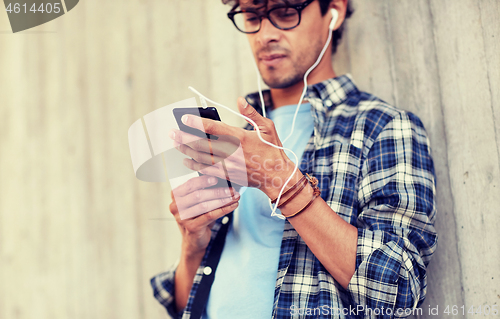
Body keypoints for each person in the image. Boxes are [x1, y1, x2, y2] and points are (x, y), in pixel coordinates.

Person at [151, 0, 438, 318]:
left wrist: (282, 183)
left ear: (334, 11)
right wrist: (193, 242)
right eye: (252, 16)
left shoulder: (381, 126)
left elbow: (397, 291)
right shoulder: (240, 140)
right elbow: (184, 305)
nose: (265, 35)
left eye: (285, 13)